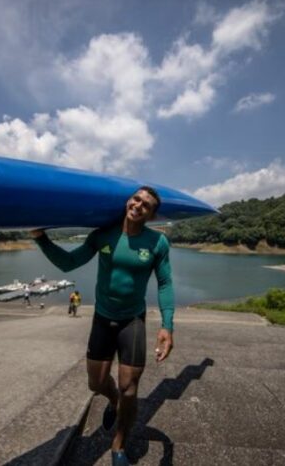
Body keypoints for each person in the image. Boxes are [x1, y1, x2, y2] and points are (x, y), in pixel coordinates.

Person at [30, 186, 174, 466]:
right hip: (102, 317)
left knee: (130, 387)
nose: (138, 205)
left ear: (152, 214)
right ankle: (113, 401)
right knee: (96, 383)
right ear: (127, 201)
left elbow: (165, 283)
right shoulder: (103, 235)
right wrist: (40, 238)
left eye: (146, 205)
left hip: (132, 319)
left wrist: (167, 326)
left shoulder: (157, 242)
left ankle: (118, 444)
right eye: (136, 199)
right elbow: (69, 263)